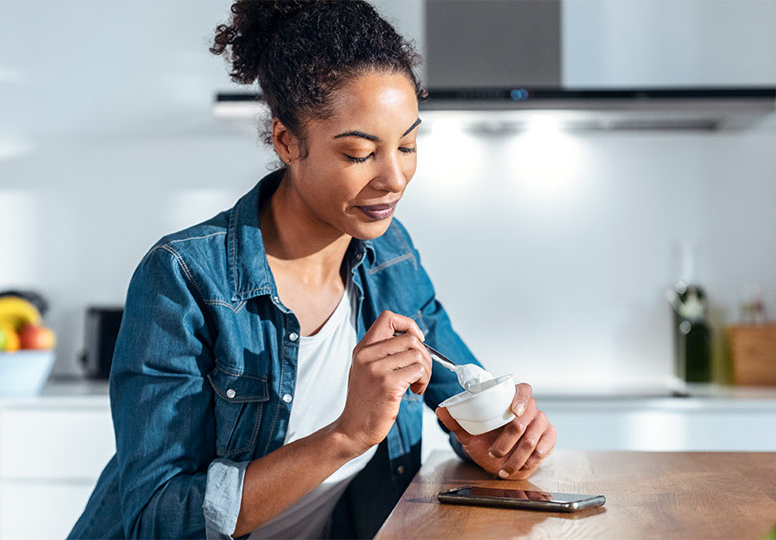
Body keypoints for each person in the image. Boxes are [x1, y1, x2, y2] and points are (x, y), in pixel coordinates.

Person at [68, 1, 556, 538]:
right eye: (358, 154)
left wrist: (491, 435)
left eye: (408, 144)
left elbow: (460, 392)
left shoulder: (391, 256)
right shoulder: (184, 279)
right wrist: (346, 435)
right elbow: (157, 518)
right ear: (286, 142)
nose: (394, 177)